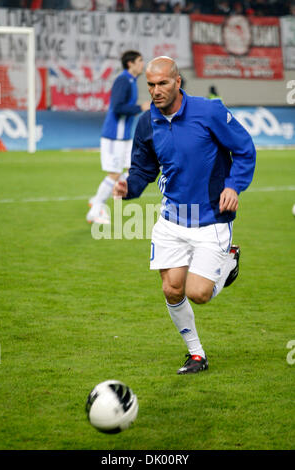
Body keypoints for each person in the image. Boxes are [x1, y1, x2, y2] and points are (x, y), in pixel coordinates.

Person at [113, 56, 256, 375]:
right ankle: (196, 355)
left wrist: (233, 185)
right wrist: (129, 187)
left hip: (211, 219)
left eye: (162, 83)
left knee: (198, 293)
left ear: (178, 82)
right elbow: (143, 169)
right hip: (172, 221)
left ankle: (228, 261)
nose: (156, 90)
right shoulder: (147, 122)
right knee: (171, 289)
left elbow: (245, 149)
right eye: (150, 84)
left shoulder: (209, 111)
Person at [86, 50, 150, 224]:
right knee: (114, 174)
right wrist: (141, 108)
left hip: (124, 136)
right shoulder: (123, 80)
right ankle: (96, 208)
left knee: (131, 170)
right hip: (114, 135)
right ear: (130, 63)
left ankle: (97, 199)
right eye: (140, 60)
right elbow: (117, 107)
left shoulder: (132, 81)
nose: (142, 63)